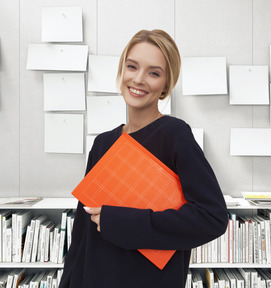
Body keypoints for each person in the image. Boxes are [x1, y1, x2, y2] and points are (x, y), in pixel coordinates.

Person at [59, 29, 228, 288]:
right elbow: (82, 235)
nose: (139, 79)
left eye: (154, 73)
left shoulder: (175, 135)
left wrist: (121, 222)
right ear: (121, 71)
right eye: (132, 67)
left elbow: (212, 218)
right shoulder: (102, 143)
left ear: (165, 85)